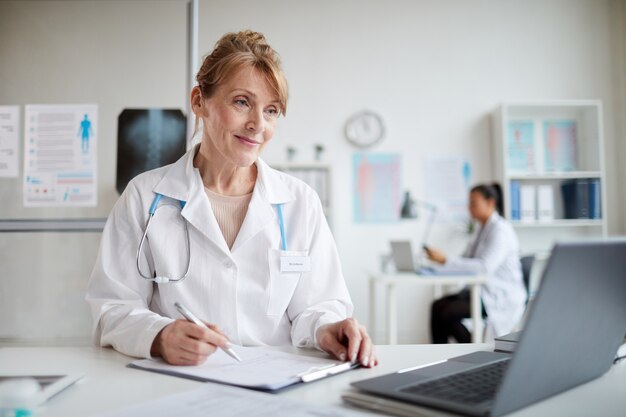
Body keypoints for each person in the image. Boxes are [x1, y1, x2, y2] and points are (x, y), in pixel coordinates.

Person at [86, 30, 376, 368]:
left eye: (271, 110)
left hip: (274, 384)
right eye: (242, 102)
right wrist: (160, 336)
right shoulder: (143, 197)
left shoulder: (300, 202)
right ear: (199, 101)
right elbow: (111, 308)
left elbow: (317, 306)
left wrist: (327, 328)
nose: (257, 125)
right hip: (176, 382)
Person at [424, 183, 527, 343]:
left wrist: (446, 260)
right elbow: (465, 259)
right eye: (469, 203)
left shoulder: (500, 230)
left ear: (490, 203)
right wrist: (438, 265)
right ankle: (446, 354)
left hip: (499, 295)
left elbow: (484, 267)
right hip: (481, 291)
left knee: (447, 312)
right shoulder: (480, 229)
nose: (469, 207)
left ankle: (472, 349)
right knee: (437, 306)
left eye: (474, 203)